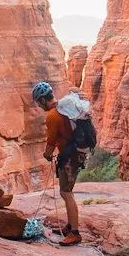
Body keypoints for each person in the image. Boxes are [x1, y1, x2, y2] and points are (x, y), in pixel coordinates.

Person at [32, 80, 91, 245]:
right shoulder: (63, 109)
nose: (39, 106)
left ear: (43, 100)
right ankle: (69, 226)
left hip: (70, 156)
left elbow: (51, 142)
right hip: (76, 153)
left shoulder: (52, 115)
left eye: (38, 103)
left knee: (66, 193)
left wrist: (47, 154)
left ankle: (75, 233)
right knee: (67, 191)